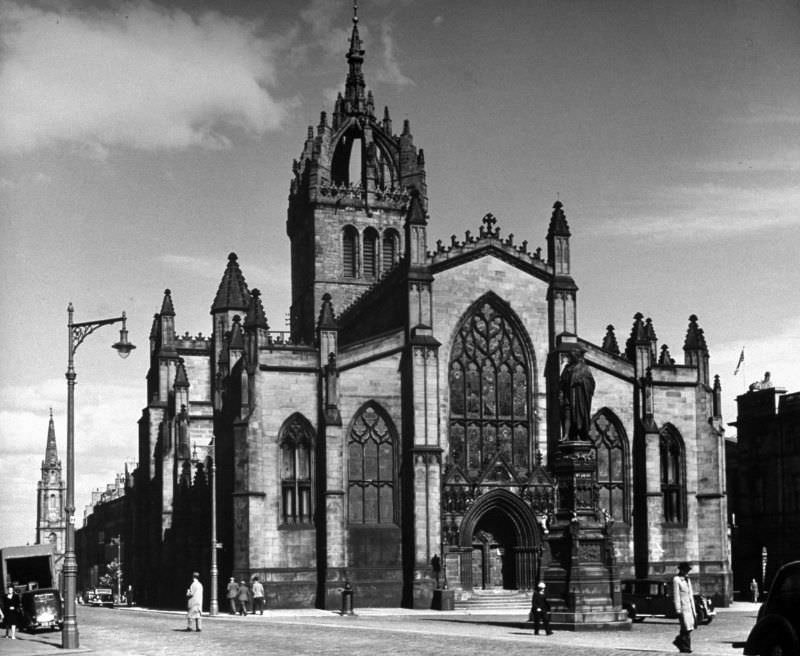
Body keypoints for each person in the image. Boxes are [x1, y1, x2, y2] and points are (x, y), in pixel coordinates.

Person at [559, 347, 595, 441]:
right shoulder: (567, 368)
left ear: (577, 356)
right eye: (570, 355)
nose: (570, 357)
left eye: (572, 355)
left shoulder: (584, 368)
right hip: (568, 395)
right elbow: (562, 382)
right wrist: (561, 394)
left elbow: (591, 383)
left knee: (578, 415)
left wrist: (581, 381)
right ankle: (566, 435)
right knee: (567, 414)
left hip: (579, 397)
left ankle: (579, 434)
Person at [672, 562, 696, 653]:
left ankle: (679, 642)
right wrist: (678, 609)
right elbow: (676, 595)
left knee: (689, 627)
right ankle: (685, 647)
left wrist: (694, 609)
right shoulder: (676, 579)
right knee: (686, 627)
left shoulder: (687, 579)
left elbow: (690, 595)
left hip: (689, 607)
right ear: (681, 570)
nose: (687, 572)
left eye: (688, 570)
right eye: (686, 570)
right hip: (683, 607)